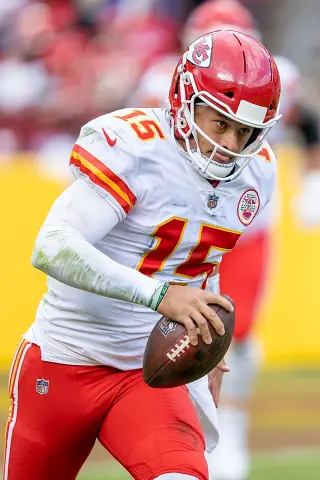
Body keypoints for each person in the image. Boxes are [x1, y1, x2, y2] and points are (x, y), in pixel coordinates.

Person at [3, 30, 281, 480]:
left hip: (147, 371)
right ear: (185, 101)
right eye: (221, 123)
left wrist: (209, 338)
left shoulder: (258, 172)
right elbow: (52, 245)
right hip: (65, 356)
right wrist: (160, 297)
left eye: (246, 131)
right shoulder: (137, 147)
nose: (231, 144)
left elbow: (202, 260)